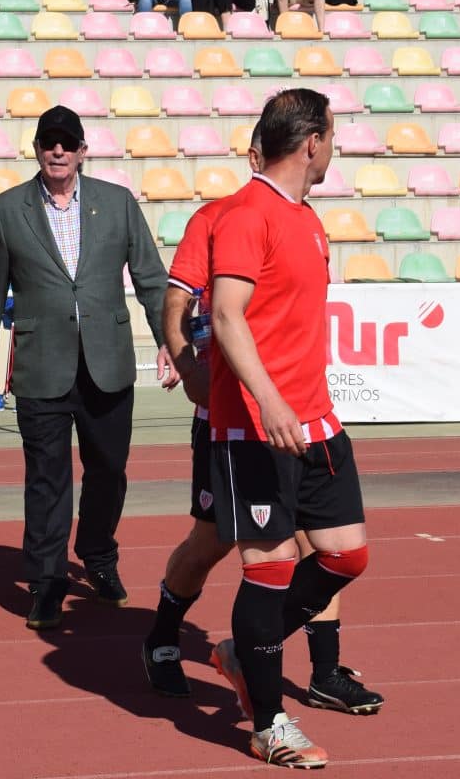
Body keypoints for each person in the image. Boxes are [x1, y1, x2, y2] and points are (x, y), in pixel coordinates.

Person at [142, 126, 381, 722]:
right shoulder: (220, 217)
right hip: (232, 418)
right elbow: (181, 306)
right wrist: (191, 369)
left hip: (296, 417)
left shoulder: (307, 220)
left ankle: (321, 669)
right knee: (214, 540)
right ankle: (164, 633)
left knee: (315, 545)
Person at [204, 89, 374, 768]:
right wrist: (270, 402)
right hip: (256, 427)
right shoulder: (248, 214)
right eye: (332, 136)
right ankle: (268, 722)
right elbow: (225, 315)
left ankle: (243, 651)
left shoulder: (306, 218)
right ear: (311, 143)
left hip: (317, 420)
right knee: (269, 567)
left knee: (347, 555)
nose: (334, 147)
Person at [0, 105, 178, 631]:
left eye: (68, 143)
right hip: (42, 364)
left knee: (108, 471)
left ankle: (98, 553)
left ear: (83, 150)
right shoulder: (6, 209)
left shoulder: (117, 203)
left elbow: (151, 278)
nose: (58, 151)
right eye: (49, 143)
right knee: (46, 479)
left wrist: (170, 341)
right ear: (37, 149)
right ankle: (46, 581)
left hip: (107, 363)